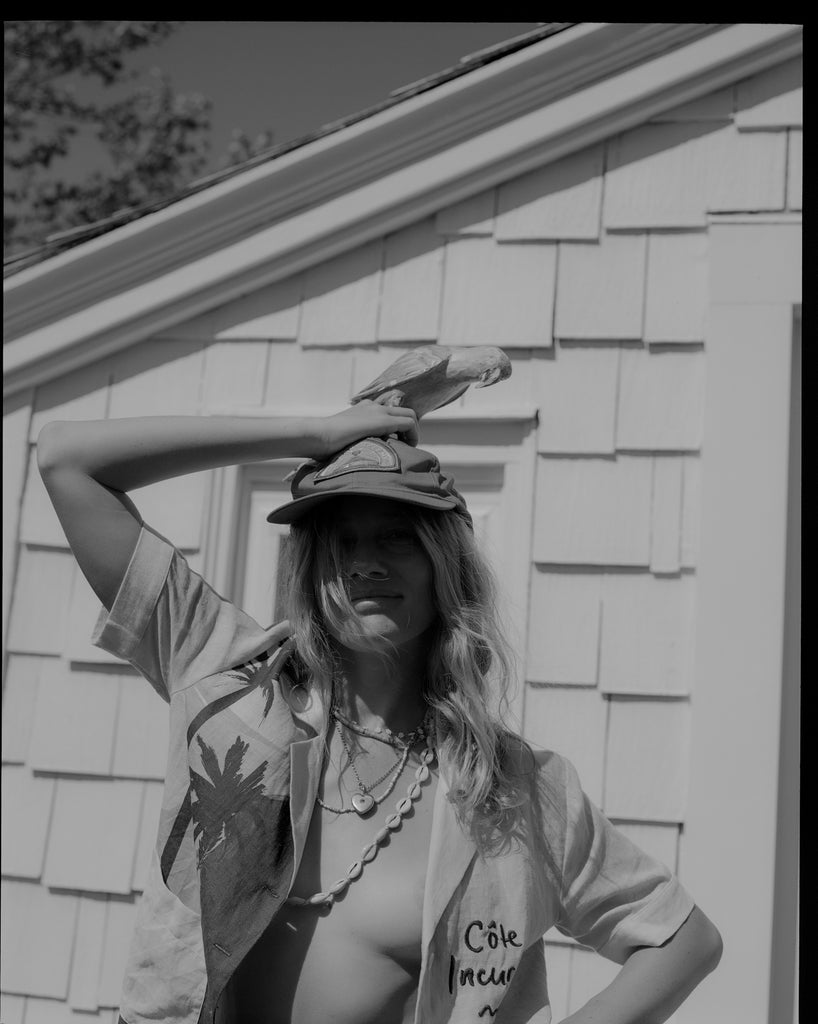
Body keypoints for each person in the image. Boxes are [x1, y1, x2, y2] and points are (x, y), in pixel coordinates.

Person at [37, 403, 722, 1024]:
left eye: (394, 537)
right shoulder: (230, 686)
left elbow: (684, 940)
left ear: (442, 563)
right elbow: (69, 461)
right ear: (312, 569)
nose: (363, 563)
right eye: (342, 541)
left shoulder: (514, 790)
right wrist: (317, 432)